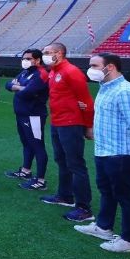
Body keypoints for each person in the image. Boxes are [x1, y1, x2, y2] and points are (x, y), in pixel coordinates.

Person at [74, 53, 130, 253]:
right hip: (104, 150)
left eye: (94, 65)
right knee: (107, 191)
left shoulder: (125, 91)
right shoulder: (105, 88)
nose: (90, 69)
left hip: (122, 153)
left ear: (109, 67)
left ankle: (128, 240)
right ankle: (103, 227)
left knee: (125, 195)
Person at [39, 42, 95, 222]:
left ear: (59, 53)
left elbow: (86, 101)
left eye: (48, 52)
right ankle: (65, 195)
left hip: (71, 124)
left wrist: (88, 126)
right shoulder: (54, 71)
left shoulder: (71, 72)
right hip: (58, 123)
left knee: (75, 164)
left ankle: (84, 207)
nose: (45, 55)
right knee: (61, 160)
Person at [3, 49, 50, 190]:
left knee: (37, 146)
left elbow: (28, 92)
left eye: (28, 58)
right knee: (27, 143)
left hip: (34, 115)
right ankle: (26, 171)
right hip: (22, 114)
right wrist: (19, 87)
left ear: (37, 60)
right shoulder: (25, 72)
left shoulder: (40, 74)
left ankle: (40, 180)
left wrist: (17, 87)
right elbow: (7, 85)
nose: (25, 60)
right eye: (24, 58)